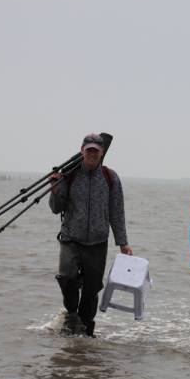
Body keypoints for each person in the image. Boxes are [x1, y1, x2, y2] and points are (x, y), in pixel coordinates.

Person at [49, 133, 133, 337]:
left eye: (96, 151)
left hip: (97, 242)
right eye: (89, 151)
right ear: (82, 151)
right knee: (67, 279)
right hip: (70, 238)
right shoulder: (69, 175)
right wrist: (55, 187)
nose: (92, 154)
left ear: (102, 152)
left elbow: (117, 211)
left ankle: (86, 332)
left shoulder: (110, 177)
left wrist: (122, 242)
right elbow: (55, 208)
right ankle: (70, 313)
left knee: (92, 289)